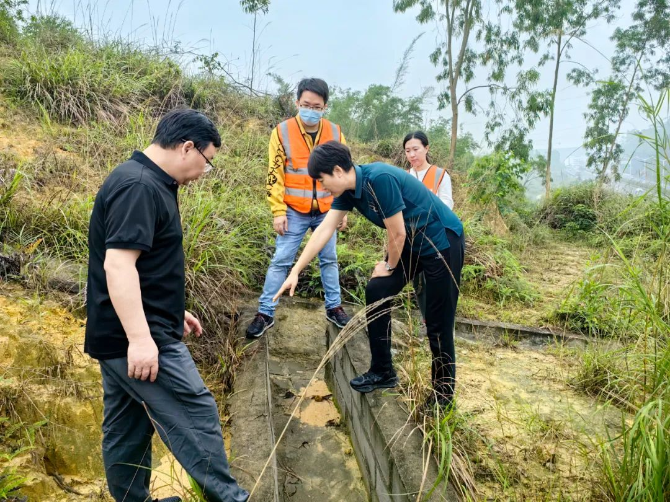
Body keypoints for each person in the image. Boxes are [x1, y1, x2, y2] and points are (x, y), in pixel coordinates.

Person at [85, 109, 249, 502]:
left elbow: (145, 265)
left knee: (127, 427)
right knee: (196, 411)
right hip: (138, 337)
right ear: (187, 147)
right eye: (207, 161)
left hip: (124, 330)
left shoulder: (148, 181)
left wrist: (174, 309)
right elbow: (118, 265)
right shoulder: (139, 186)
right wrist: (141, 339)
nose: (204, 171)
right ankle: (230, 499)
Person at [273, 141, 465, 408]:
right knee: (378, 290)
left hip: (442, 241)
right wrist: (295, 270)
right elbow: (325, 229)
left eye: (322, 180)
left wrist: (389, 266)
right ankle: (383, 371)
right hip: (412, 241)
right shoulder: (348, 192)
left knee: (438, 321)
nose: (322, 187)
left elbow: (397, 232)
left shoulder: (380, 179)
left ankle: (442, 396)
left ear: (337, 171)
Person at [246, 77, 351, 339]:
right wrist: (278, 210)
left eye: (317, 107)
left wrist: (343, 209)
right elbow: (275, 174)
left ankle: (334, 307)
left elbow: (346, 173)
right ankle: (265, 312)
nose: (311, 111)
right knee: (281, 260)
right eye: (306, 105)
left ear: (325, 106)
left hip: (327, 209)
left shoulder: (335, 132)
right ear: (297, 103)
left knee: (329, 259)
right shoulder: (282, 132)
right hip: (293, 210)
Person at [403, 131, 454, 325]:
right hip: (412, 238)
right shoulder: (405, 176)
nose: (412, 155)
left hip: (434, 237)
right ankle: (427, 320)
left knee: (435, 280)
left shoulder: (440, 175)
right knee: (418, 282)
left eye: (416, 149)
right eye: (407, 151)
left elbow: (447, 204)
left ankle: (439, 322)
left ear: (426, 148)